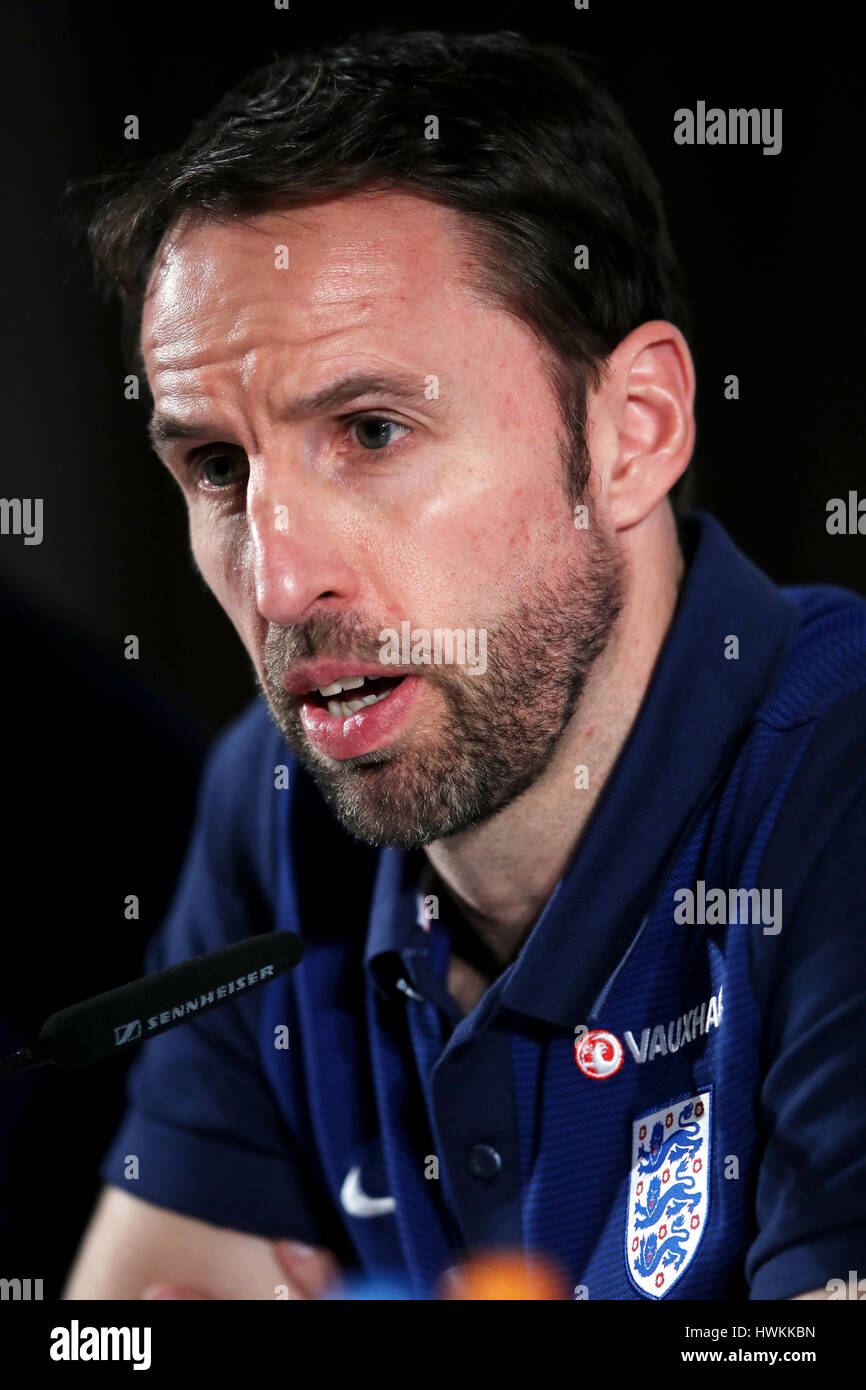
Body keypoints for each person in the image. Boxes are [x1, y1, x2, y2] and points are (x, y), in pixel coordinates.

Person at [63, 30, 866, 1301]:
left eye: (371, 431)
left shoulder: (838, 777)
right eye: (218, 468)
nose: (279, 587)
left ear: (630, 433)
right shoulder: (271, 806)